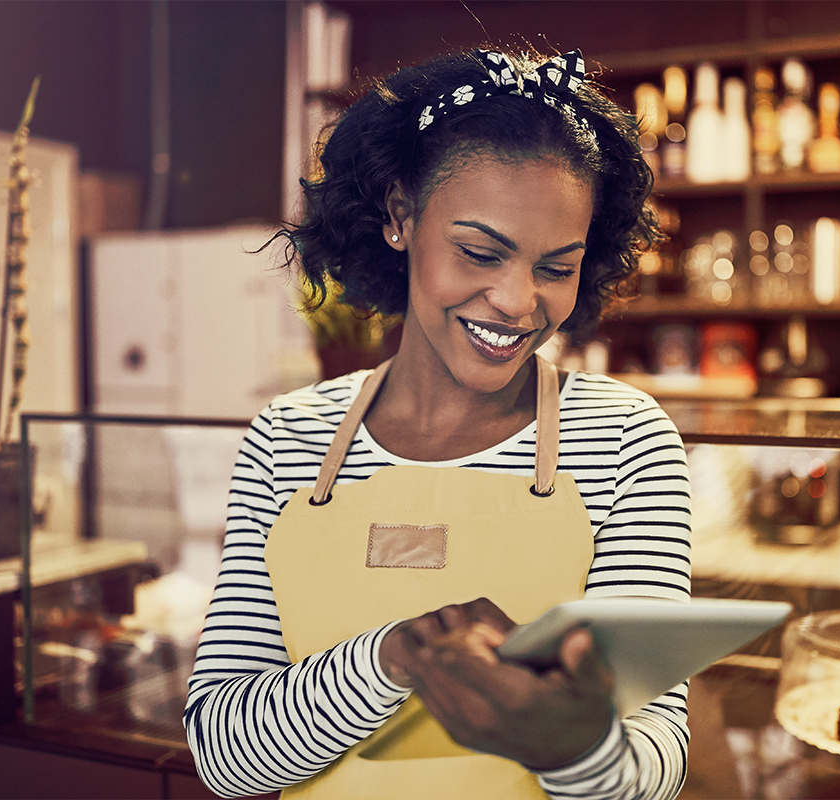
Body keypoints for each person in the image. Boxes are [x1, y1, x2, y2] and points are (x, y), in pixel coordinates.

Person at [184, 47, 692, 800]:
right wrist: (395, 657)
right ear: (400, 215)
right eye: (480, 252)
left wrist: (575, 748)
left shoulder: (624, 439)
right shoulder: (289, 438)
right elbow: (224, 756)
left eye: (557, 267)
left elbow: (656, 761)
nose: (519, 302)